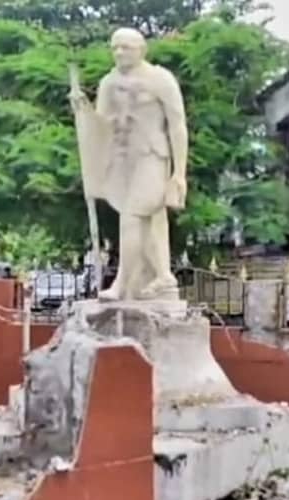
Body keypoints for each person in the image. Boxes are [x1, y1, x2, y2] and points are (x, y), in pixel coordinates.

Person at [69, 28, 188, 301]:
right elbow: (102, 127)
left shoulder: (160, 79)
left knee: (132, 215)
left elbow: (177, 126)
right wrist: (82, 110)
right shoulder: (108, 83)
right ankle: (163, 276)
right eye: (115, 48)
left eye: (126, 47)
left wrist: (179, 173)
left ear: (142, 49)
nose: (120, 53)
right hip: (124, 159)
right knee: (150, 221)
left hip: (152, 156)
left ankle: (122, 284)